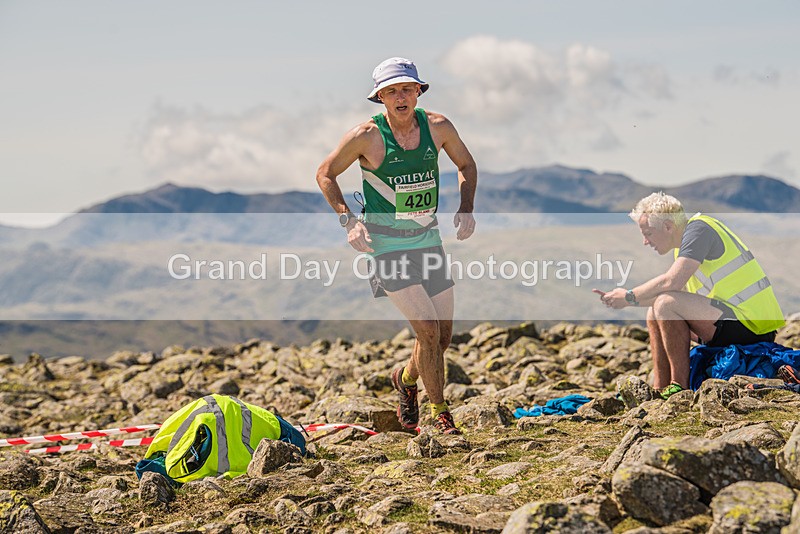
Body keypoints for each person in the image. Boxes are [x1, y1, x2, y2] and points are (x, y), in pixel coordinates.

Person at [316, 57, 477, 434]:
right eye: (391, 91)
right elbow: (324, 173)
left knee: (443, 337)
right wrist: (348, 220)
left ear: (419, 90)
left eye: (407, 88)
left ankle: (405, 379)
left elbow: (466, 165)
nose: (400, 97)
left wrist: (466, 207)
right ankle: (441, 414)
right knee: (428, 331)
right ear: (380, 98)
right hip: (386, 247)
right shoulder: (366, 136)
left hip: (429, 241)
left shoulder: (438, 127)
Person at [593, 192, 785, 398]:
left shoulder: (699, 229)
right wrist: (626, 302)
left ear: (668, 226)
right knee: (655, 310)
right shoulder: (684, 247)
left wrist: (629, 296)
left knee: (665, 304)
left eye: (648, 233)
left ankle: (679, 388)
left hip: (752, 326)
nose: (645, 241)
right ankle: (659, 389)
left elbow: (670, 283)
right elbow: (675, 295)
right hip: (732, 322)